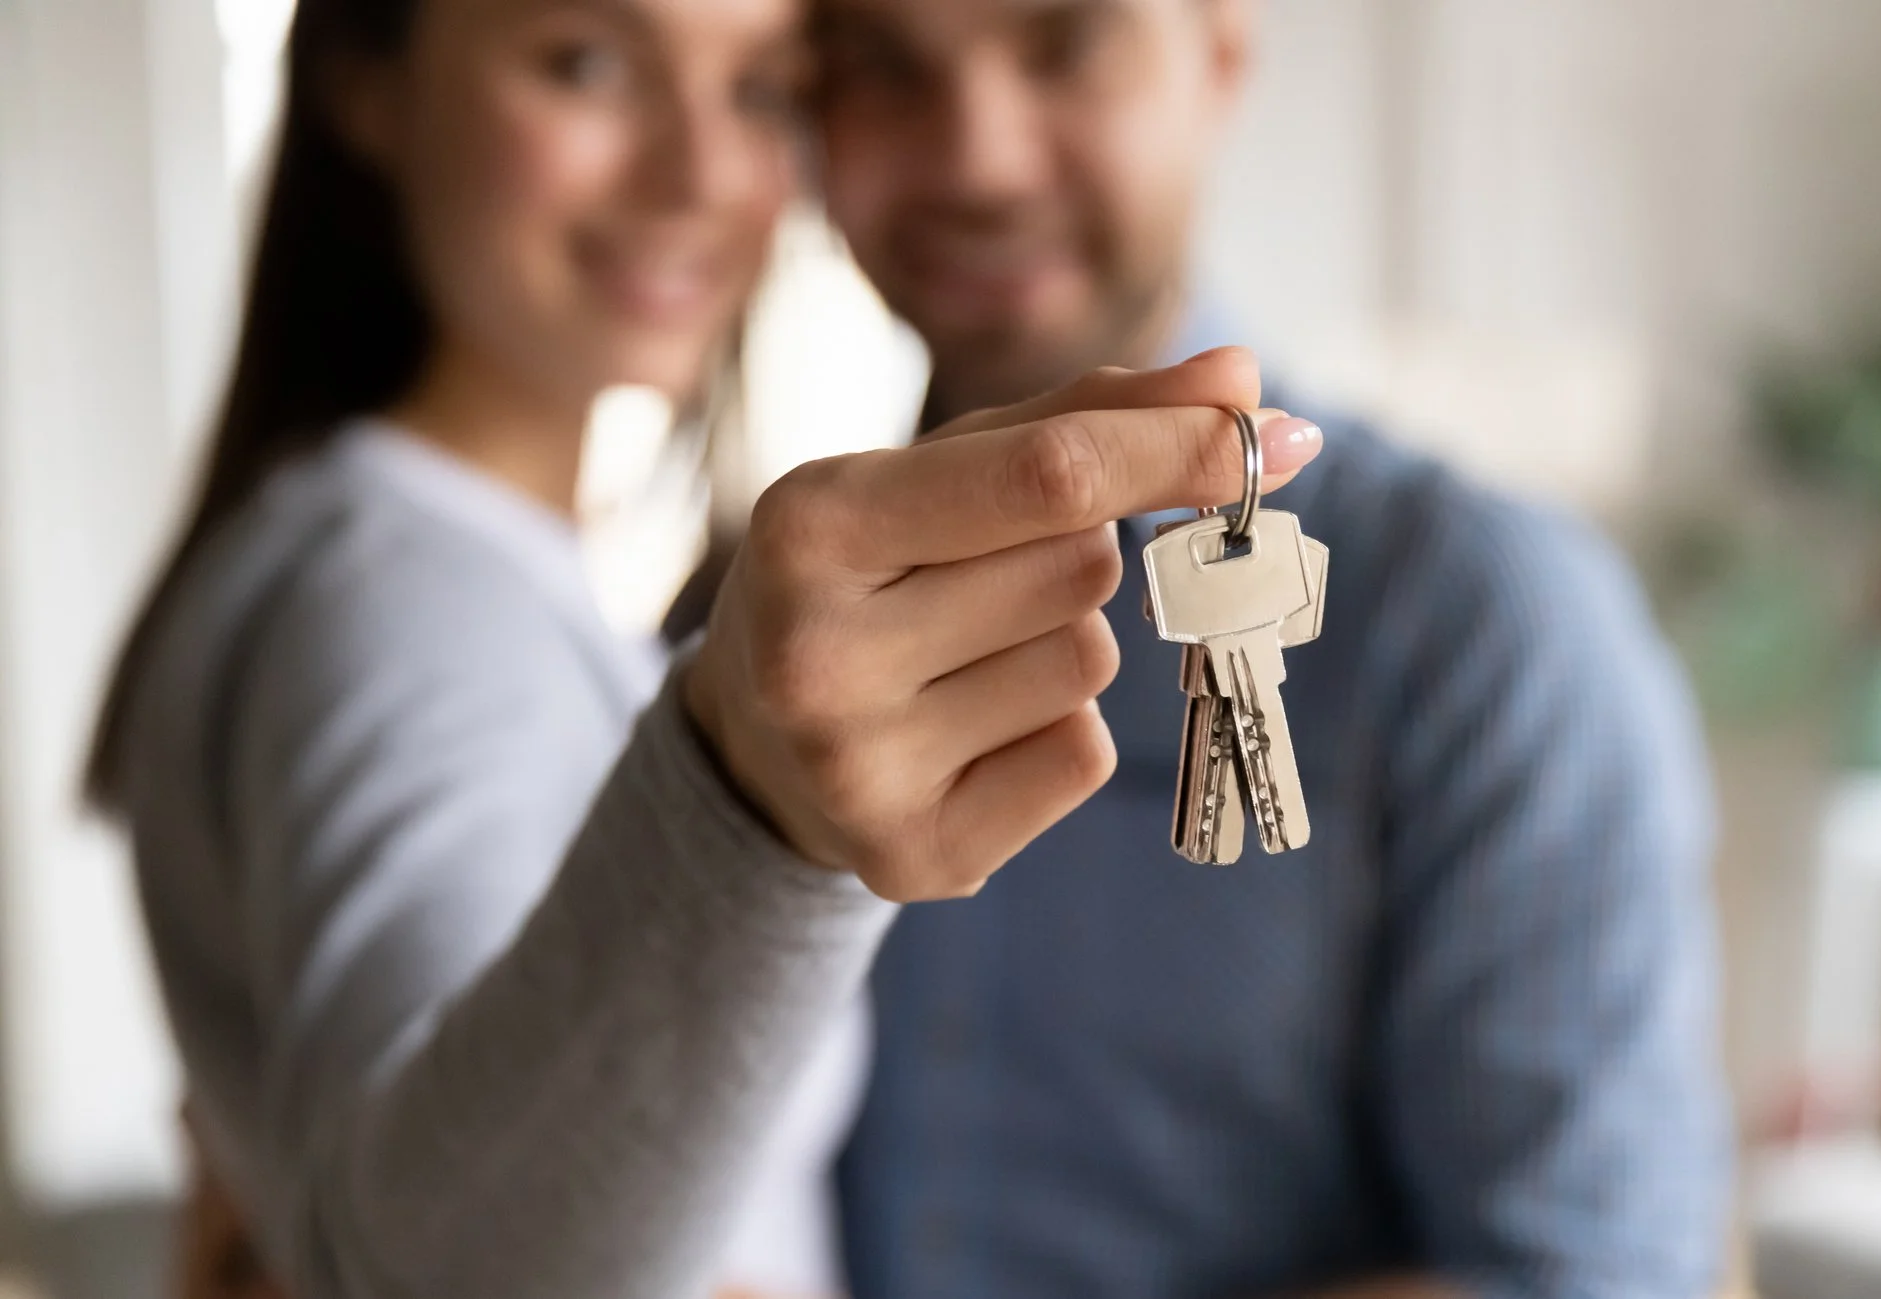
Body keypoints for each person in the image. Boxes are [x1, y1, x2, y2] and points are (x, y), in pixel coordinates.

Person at [88, 0, 1320, 1295]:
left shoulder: (449, 569)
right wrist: (747, 819)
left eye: (759, 89)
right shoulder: (401, 604)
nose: (703, 175)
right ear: (366, 82)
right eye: (590, 62)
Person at [808, 1, 1734, 1295]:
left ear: (1221, 57)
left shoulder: (1481, 624)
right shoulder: (750, 633)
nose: (979, 160)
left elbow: (1591, 1272)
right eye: (882, 67)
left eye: (1065, 43)